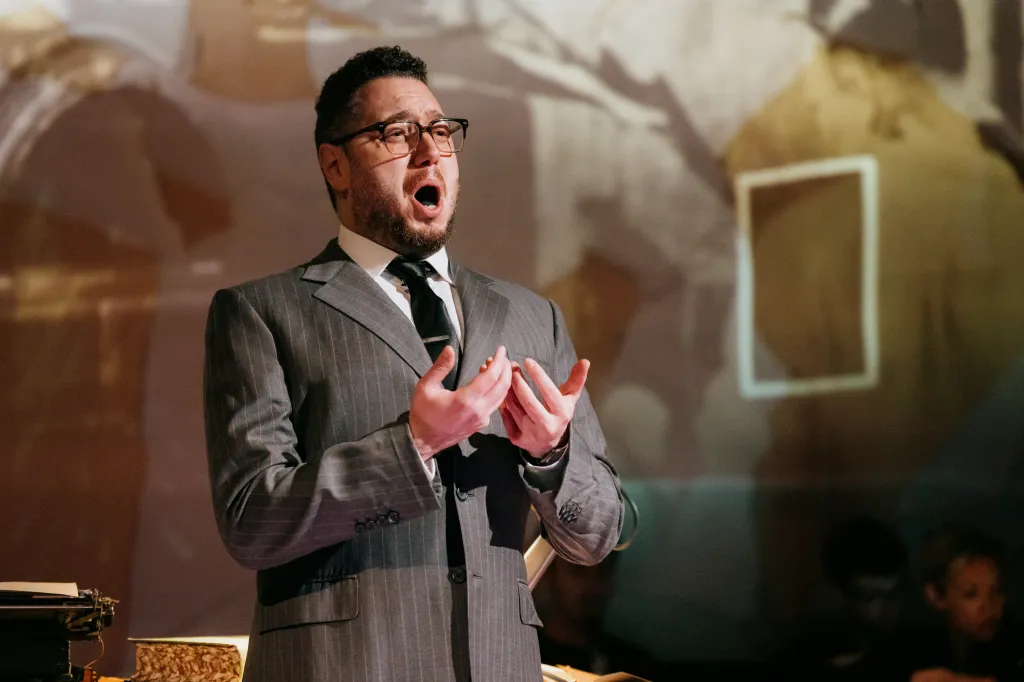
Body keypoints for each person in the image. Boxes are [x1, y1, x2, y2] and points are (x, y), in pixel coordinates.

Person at [202, 45, 625, 682]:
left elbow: (596, 535)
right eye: (395, 133)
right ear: (335, 164)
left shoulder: (532, 316)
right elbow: (250, 522)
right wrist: (415, 443)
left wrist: (550, 455)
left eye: (441, 131)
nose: (429, 151)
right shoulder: (262, 312)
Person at [775, 515, 909, 681]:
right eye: (871, 597)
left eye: (894, 595)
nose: (888, 609)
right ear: (837, 595)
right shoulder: (794, 665)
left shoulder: (911, 662)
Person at [896, 525, 1024, 682]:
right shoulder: (910, 646)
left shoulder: (1014, 644)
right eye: (971, 594)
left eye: (997, 591)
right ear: (936, 596)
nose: (989, 606)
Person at [534, 554, 663, 679]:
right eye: (578, 570)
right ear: (550, 573)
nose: (592, 585)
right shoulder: (525, 655)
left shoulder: (632, 665)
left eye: (603, 571)